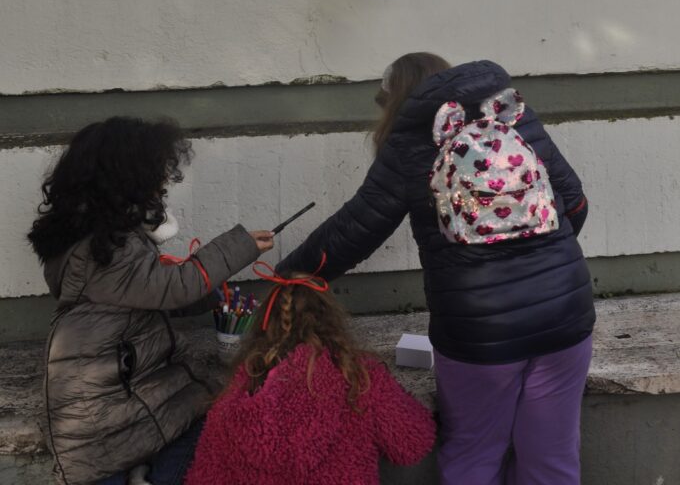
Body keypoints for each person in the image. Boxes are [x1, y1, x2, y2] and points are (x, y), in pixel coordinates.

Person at [279, 54, 595, 485]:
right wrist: (544, 265)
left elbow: (353, 231)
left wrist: (289, 275)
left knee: (474, 453)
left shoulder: (411, 143)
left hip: (477, 330)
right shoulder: (511, 115)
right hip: (567, 313)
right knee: (552, 456)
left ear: (395, 102)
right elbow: (573, 201)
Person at [27, 116, 274, 485]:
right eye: (156, 175)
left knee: (202, 410)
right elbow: (174, 286)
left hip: (121, 395)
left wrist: (208, 297)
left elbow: (149, 293)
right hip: (100, 421)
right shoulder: (105, 252)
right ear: (126, 181)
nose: (162, 185)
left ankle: (143, 468)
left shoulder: (96, 242)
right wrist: (240, 247)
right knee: (203, 421)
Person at [184, 259, 436, 485]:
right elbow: (414, 442)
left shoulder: (233, 398)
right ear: (331, 319)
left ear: (263, 325)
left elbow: (203, 476)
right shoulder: (359, 379)